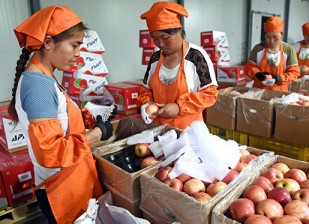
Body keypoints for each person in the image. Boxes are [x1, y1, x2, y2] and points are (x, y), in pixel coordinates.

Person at [8, 6, 115, 224]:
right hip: (62, 189)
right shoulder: (38, 86)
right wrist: (96, 134)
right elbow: (50, 153)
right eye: (74, 45)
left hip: (70, 182)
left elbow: (58, 121)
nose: (78, 53)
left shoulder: (44, 78)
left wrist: (86, 118)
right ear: (48, 43)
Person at [137, 2, 218, 130]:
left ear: (179, 30)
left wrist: (180, 106)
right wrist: (146, 104)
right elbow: (146, 90)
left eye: (165, 37)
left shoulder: (196, 56)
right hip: (159, 131)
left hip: (189, 133)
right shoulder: (155, 58)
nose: (161, 44)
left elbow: (210, 94)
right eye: (155, 39)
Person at [245, 16, 300, 91]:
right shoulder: (258, 49)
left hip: (279, 92)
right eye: (268, 37)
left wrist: (279, 78)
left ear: (282, 35)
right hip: (258, 91)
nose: (271, 41)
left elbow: (294, 72)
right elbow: (249, 67)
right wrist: (257, 73)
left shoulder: (289, 50)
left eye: (275, 37)